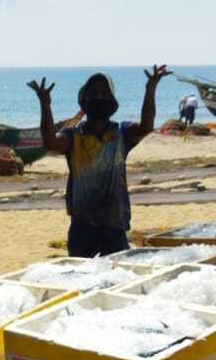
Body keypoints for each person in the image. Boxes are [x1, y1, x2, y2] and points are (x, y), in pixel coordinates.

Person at [28, 67, 170, 258]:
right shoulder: (73, 136)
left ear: (112, 101)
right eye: (94, 93)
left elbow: (146, 126)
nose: (99, 97)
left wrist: (150, 88)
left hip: (115, 227)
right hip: (82, 228)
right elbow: (50, 143)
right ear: (84, 100)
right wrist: (45, 105)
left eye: (104, 93)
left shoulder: (122, 133)